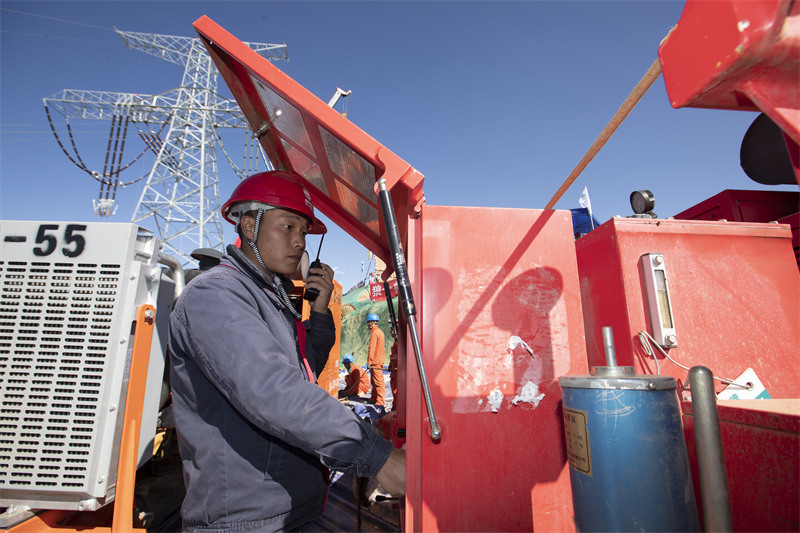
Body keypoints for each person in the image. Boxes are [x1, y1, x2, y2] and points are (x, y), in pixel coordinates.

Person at [169, 170, 404, 533]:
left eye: (304, 232)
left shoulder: (269, 296)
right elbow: (274, 390)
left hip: (286, 507)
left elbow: (304, 367)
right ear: (249, 227)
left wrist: (320, 314)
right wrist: (376, 457)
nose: (299, 242)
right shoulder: (215, 294)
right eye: (287, 227)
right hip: (244, 520)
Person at [365, 313, 386, 408]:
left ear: (372, 322)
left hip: (375, 361)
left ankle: (380, 402)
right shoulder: (380, 332)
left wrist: (369, 362)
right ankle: (374, 398)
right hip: (379, 360)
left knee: (378, 382)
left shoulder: (374, 333)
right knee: (374, 381)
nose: (368, 325)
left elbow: (372, 348)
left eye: (368, 322)